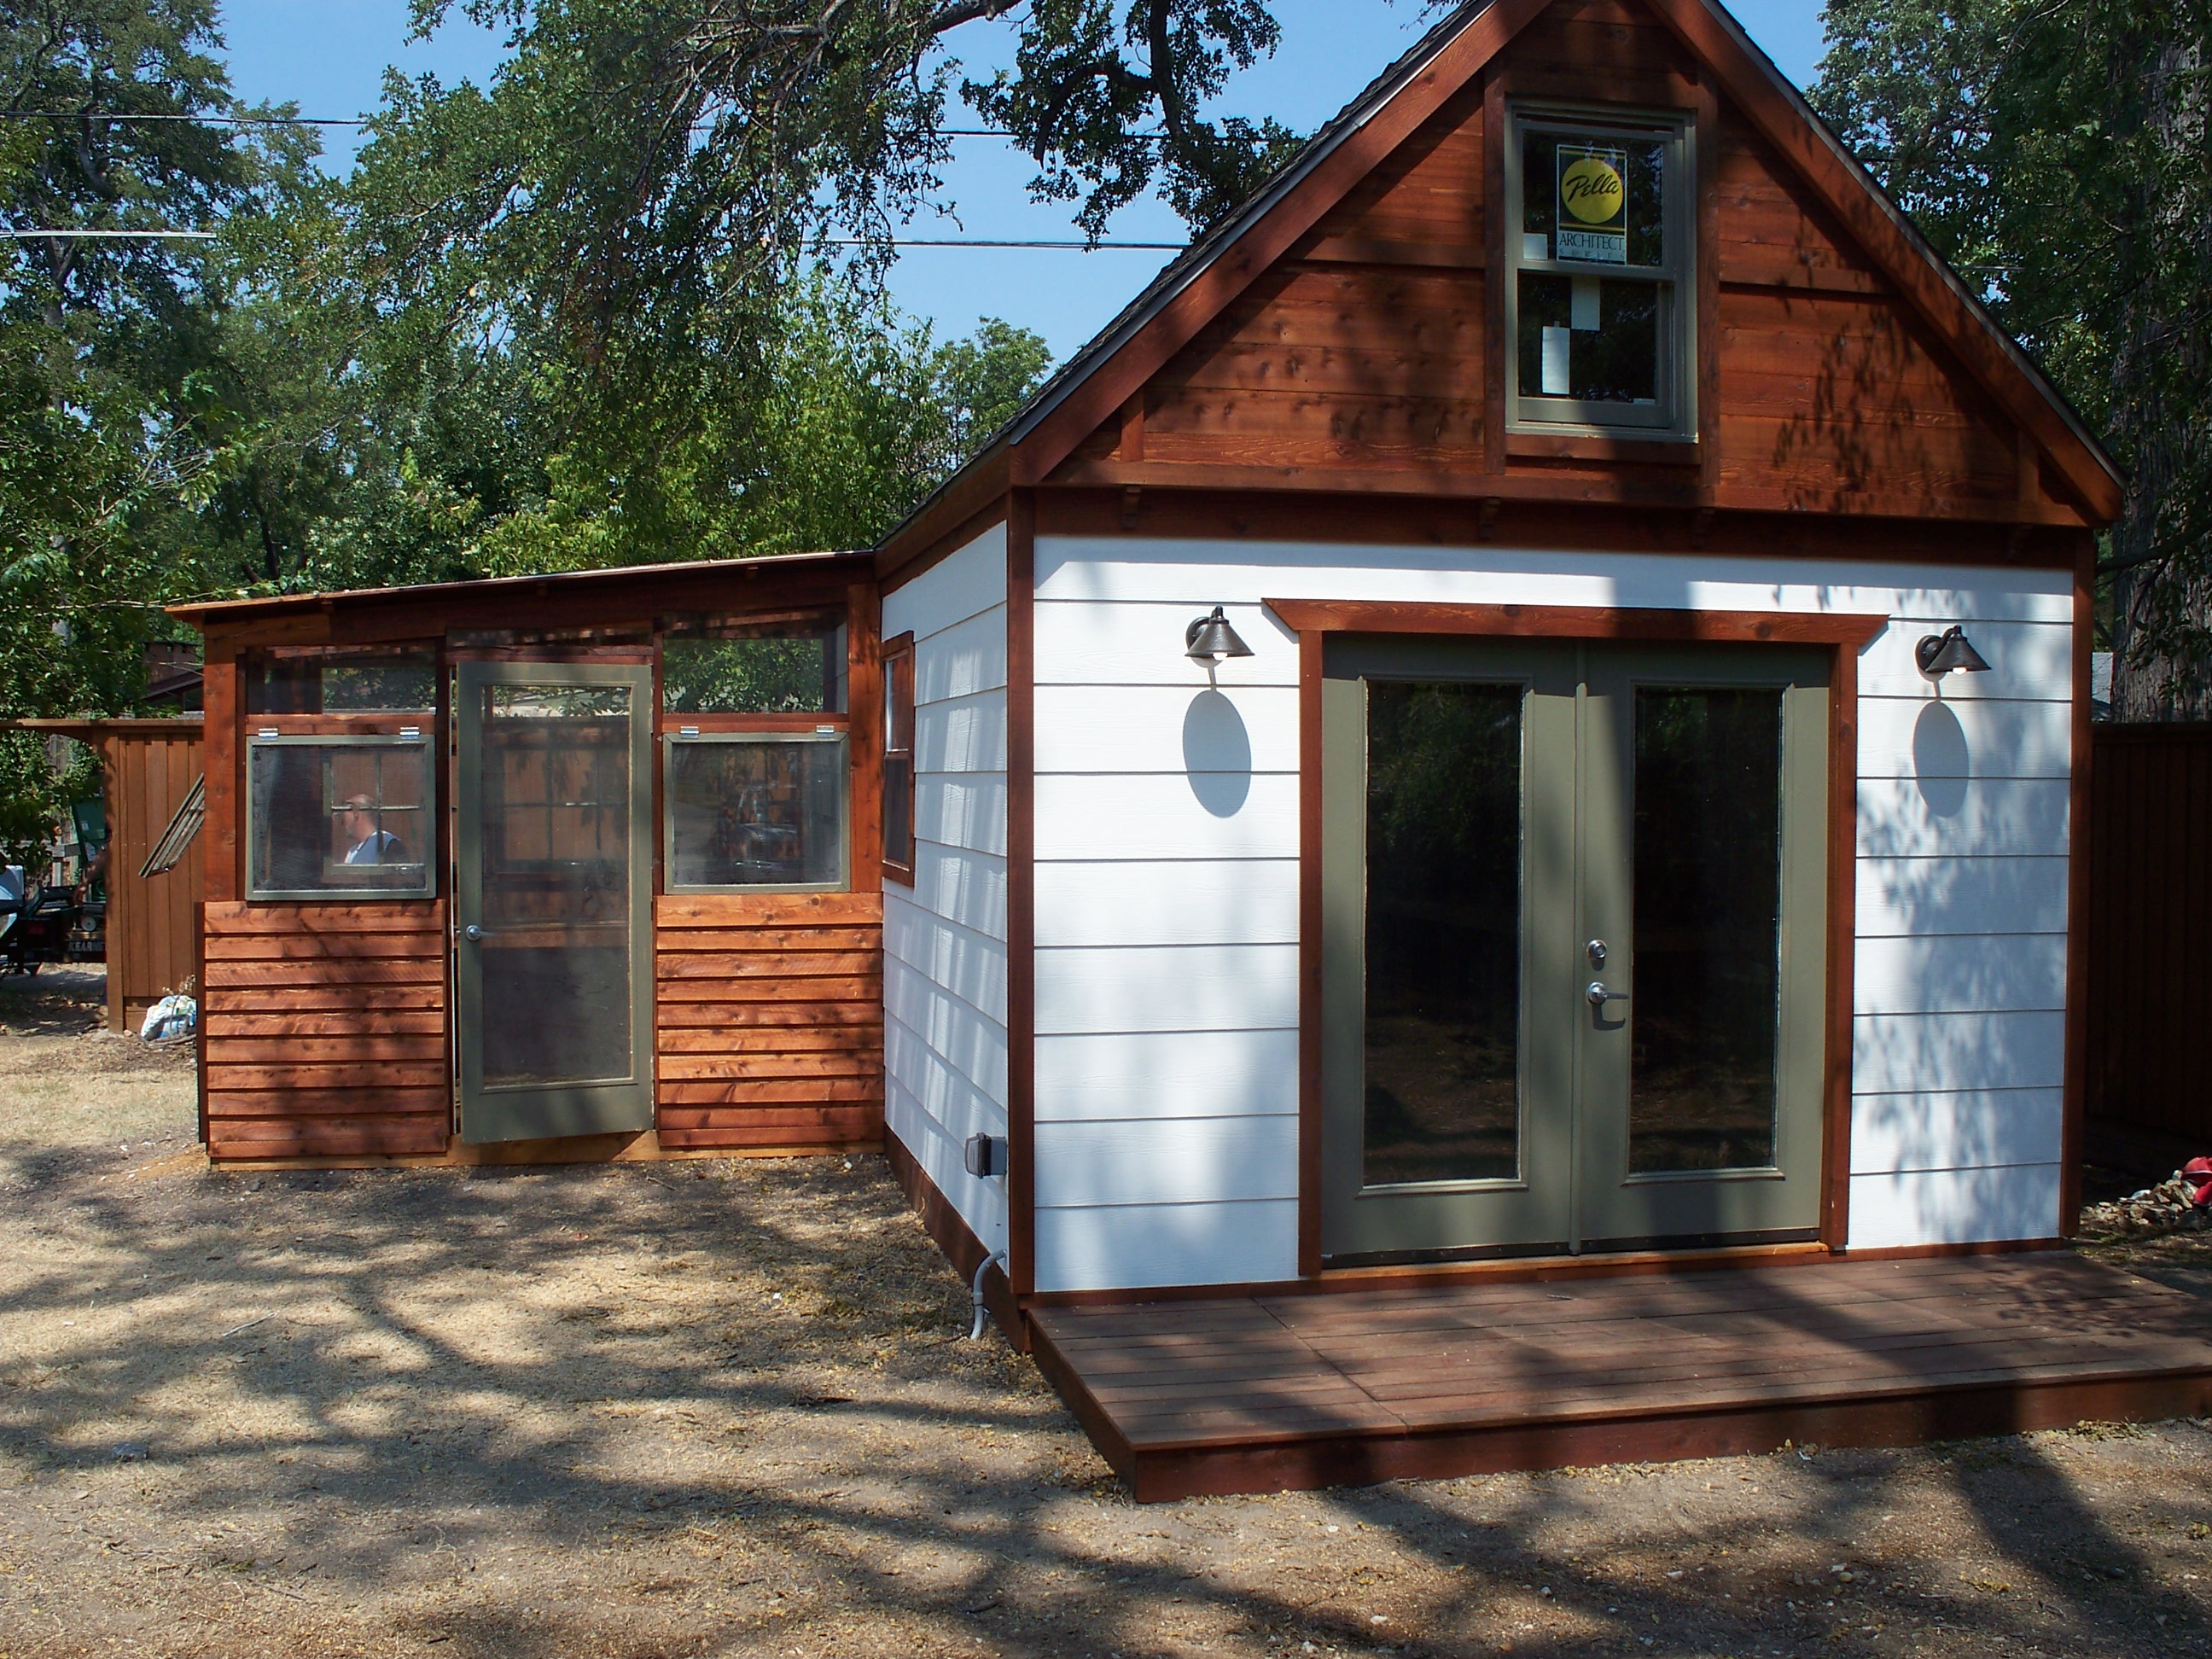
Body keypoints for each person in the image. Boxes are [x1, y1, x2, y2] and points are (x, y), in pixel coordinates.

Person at [338, 795, 408, 864]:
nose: (343, 822)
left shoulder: (388, 843)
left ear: (356, 813)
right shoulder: (352, 851)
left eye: (345, 814)